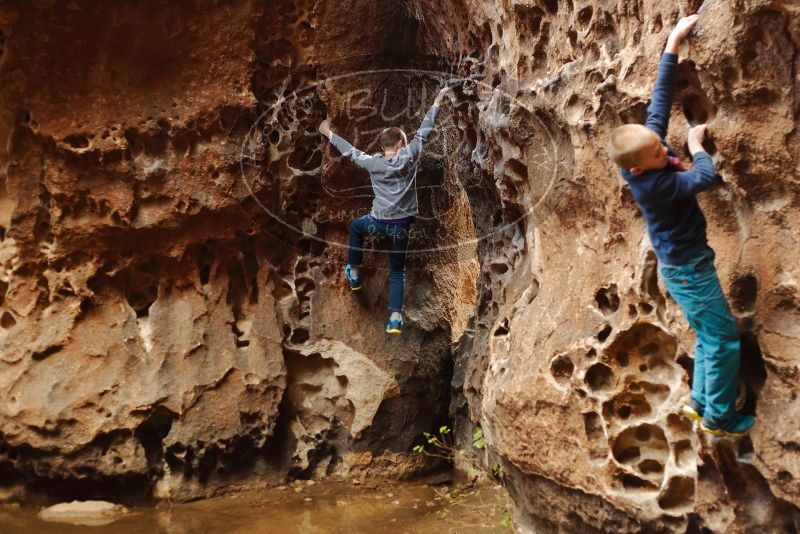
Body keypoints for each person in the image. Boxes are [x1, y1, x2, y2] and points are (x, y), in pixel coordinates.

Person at [607, 14, 755, 438]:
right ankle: (721, 419)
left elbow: (659, 99)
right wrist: (694, 146)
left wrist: (672, 43)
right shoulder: (655, 184)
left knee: (711, 336)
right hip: (689, 270)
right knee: (724, 339)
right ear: (638, 166)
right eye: (658, 150)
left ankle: (702, 404)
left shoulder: (646, 151)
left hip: (684, 266)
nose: (663, 144)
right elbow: (702, 179)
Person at [318, 86, 452, 334]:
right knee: (397, 270)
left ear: (382, 148)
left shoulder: (373, 163)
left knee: (357, 227)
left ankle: (355, 271)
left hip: (377, 222)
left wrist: (328, 132)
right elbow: (424, 132)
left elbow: (349, 151)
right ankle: (394, 318)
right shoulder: (410, 155)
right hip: (401, 226)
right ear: (401, 143)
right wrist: (437, 101)